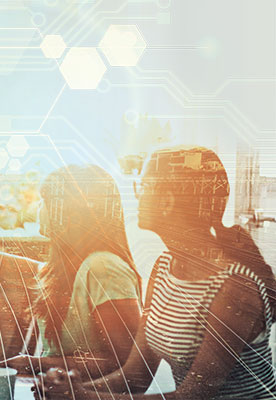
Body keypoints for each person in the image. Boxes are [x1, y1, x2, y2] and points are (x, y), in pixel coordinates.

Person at [40, 146, 276, 399]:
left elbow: (191, 397)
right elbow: (135, 375)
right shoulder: (164, 267)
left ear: (167, 201)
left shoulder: (235, 288)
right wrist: (70, 391)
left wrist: (83, 397)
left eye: (144, 186)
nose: (137, 196)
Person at [0, 165, 141, 379]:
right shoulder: (71, 265)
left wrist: (36, 364)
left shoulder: (105, 267)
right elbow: (32, 270)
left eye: (46, 201)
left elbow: (125, 363)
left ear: (72, 211)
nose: (38, 209)